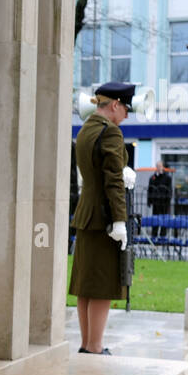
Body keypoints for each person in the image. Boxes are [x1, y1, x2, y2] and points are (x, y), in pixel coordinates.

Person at [69, 81, 136, 355]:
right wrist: (120, 221)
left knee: (87, 284)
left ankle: (87, 343)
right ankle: (95, 346)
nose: (127, 116)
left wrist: (122, 169)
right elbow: (112, 182)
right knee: (102, 285)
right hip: (104, 218)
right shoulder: (111, 133)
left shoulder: (87, 128)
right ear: (116, 105)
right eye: (126, 109)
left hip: (86, 215)